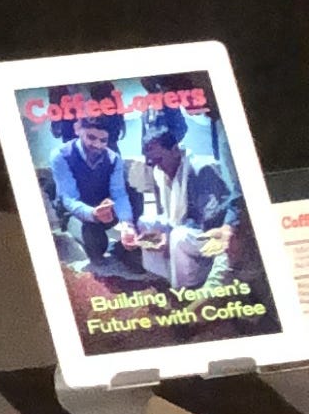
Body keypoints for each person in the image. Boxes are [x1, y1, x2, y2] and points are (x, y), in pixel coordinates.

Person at [121, 110, 236, 289]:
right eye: (152, 162)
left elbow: (209, 221)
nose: (157, 166)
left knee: (178, 236)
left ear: (174, 150)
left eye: (159, 159)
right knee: (146, 222)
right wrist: (154, 235)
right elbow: (171, 217)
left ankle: (185, 288)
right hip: (185, 228)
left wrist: (167, 236)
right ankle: (162, 279)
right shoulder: (161, 173)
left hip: (211, 238)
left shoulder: (201, 170)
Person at [48, 103, 135, 269]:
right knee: (97, 248)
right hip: (76, 212)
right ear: (78, 130)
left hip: (104, 207)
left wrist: (127, 224)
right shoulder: (60, 155)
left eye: (103, 140)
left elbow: (119, 193)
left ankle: (127, 244)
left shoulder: (113, 158)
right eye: (91, 137)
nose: (98, 145)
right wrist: (93, 213)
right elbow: (69, 198)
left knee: (133, 194)